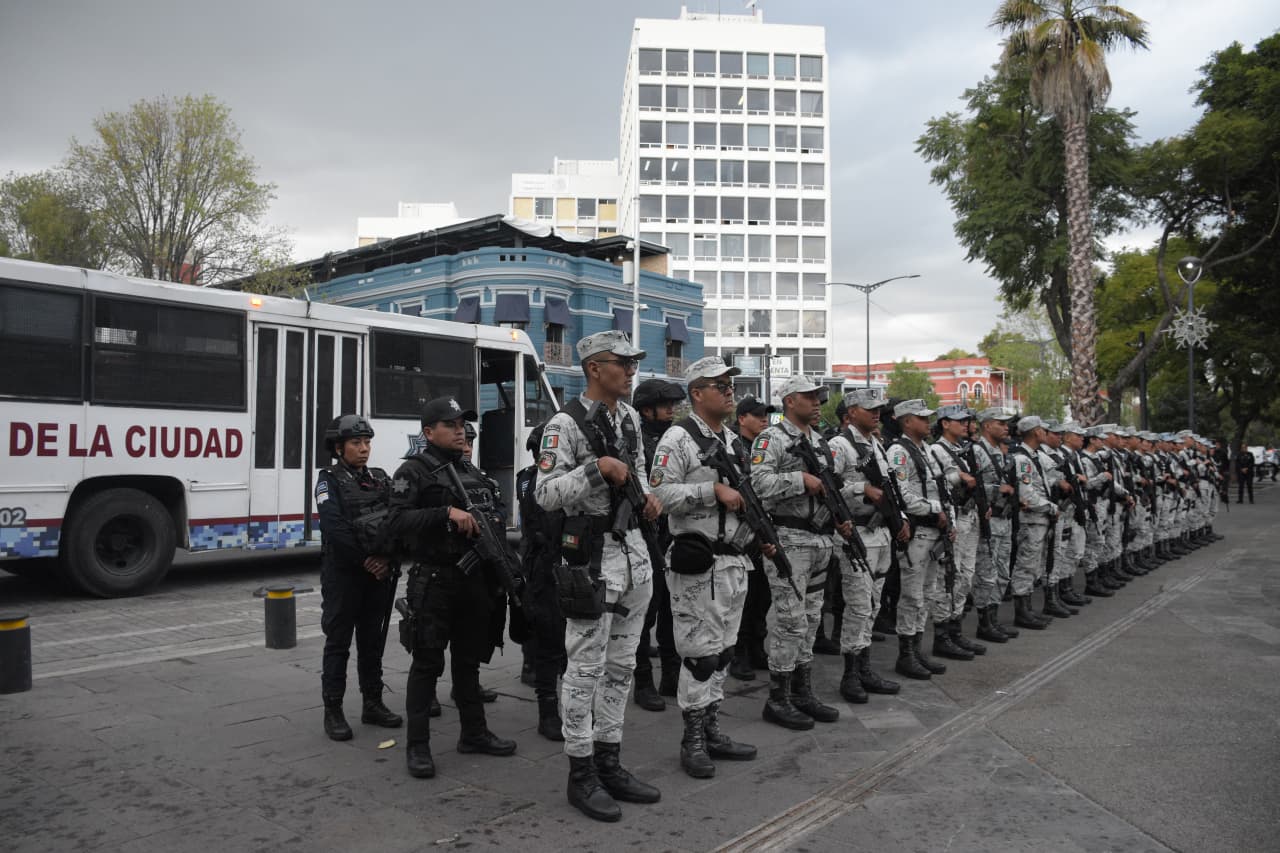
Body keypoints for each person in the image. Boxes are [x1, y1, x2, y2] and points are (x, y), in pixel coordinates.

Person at [535, 330, 663, 823]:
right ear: (593, 368)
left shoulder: (629, 418)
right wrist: (595, 470)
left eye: (633, 362)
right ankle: (581, 771)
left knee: (622, 667)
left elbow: (642, 475)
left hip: (633, 557)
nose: (631, 370)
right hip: (590, 563)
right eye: (622, 362)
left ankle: (611, 761)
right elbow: (543, 495)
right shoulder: (563, 425)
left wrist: (648, 496)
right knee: (584, 670)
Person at [388, 397, 518, 780]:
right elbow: (395, 521)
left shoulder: (469, 470)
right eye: (450, 423)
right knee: (427, 662)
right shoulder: (413, 471)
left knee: (468, 661)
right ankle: (418, 747)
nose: (460, 428)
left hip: (474, 580)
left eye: (462, 422)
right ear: (429, 432)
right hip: (436, 581)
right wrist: (445, 513)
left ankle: (474, 733)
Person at [650, 356, 760, 777]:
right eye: (720, 385)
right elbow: (658, 493)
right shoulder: (678, 439)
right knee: (700, 655)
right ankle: (692, 738)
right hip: (699, 560)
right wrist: (710, 490)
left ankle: (712, 727)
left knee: (724, 651)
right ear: (697, 392)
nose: (729, 390)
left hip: (734, 560)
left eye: (730, 384)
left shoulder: (730, 439)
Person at [750, 375, 846, 729]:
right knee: (789, 621)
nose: (818, 402)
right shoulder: (770, 438)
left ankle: (802, 692)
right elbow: (757, 484)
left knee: (811, 619)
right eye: (809, 397)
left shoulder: (820, 442)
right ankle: (778, 698)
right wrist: (799, 481)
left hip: (820, 540)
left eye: (819, 396)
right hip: (789, 539)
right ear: (790, 401)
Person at [315, 414, 403, 741]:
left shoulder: (380, 479)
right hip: (344, 576)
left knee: (372, 641)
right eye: (356, 443)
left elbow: (397, 518)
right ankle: (333, 710)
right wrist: (367, 559)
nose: (364, 449)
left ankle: (373, 702)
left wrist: (387, 557)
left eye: (367, 442)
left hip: (377, 576)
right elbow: (334, 527)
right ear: (339, 448)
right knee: (338, 643)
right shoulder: (329, 481)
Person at [826, 388, 904, 701]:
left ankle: (865, 667)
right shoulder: (839, 445)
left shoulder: (877, 444)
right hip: (856, 534)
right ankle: (850, 674)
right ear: (852, 411)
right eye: (869, 409)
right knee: (857, 606)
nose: (876, 414)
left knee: (871, 605)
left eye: (879, 410)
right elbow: (827, 486)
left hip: (880, 534)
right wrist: (862, 489)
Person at [630, 378, 685, 712]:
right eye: (666, 405)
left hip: (672, 534)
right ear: (647, 409)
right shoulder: (634, 442)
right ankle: (643, 680)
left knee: (671, 609)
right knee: (645, 613)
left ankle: (671, 674)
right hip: (645, 534)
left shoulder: (675, 441)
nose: (671, 411)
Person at [886, 400, 950, 679]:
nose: (928, 422)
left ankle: (918, 650)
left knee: (927, 593)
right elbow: (903, 495)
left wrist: (950, 518)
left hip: (935, 531)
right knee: (911, 595)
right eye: (922, 418)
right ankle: (906, 654)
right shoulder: (899, 451)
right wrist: (936, 510)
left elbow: (941, 488)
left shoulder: (926, 450)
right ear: (907, 421)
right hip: (918, 532)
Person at [516, 425, 568, 742]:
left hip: (560, 564)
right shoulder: (532, 480)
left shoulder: (529, 476)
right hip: (545, 567)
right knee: (549, 643)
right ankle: (548, 711)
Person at [926, 405, 987, 659]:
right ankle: (942, 634)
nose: (965, 424)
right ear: (944, 424)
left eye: (967, 421)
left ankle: (955, 628)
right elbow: (938, 481)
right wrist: (958, 475)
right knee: (949, 576)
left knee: (965, 574)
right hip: (955, 517)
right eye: (959, 421)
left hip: (969, 515)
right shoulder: (937, 450)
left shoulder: (962, 449)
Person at [729, 395, 775, 681]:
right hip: (742, 529)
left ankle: (757, 647)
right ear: (742, 418)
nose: (764, 420)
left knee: (763, 594)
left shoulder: (764, 447)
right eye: (758, 415)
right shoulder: (734, 446)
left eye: (766, 415)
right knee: (744, 598)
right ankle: (739, 652)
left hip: (764, 525)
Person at [970, 407, 1020, 641]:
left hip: (1004, 519)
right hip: (988, 520)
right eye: (1000, 423)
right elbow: (974, 487)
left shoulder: (1000, 451)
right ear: (987, 425)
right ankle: (983, 622)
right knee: (986, 574)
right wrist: (996, 489)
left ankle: (993, 618)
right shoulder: (977, 451)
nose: (1006, 426)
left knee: (1001, 573)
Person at [1009, 416, 1058, 630]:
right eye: (1042, 429)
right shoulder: (1022, 459)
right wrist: (1051, 507)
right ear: (1035, 432)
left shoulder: (1035, 457)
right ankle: (1022, 612)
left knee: (1033, 566)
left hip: (1039, 521)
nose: (1045, 433)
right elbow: (1027, 495)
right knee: (1025, 566)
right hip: (1031, 520)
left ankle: (1027, 609)